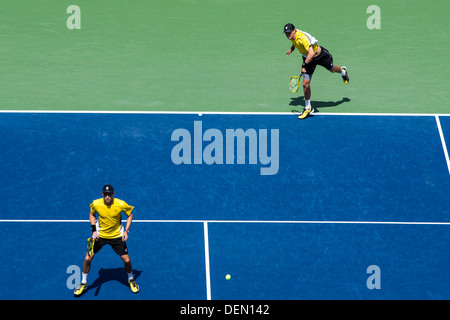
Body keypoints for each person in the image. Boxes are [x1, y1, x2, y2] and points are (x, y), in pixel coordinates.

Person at [74, 184, 139, 296]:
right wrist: (94, 230)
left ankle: (131, 279)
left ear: (113, 194)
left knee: (127, 260)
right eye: (105, 194)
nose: (107, 196)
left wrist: (126, 231)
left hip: (116, 236)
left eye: (109, 194)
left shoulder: (120, 204)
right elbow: (92, 214)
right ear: (102, 194)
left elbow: (130, 215)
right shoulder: (96, 203)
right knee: (87, 259)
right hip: (100, 236)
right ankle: (83, 282)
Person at [284, 23, 349, 119]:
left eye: (289, 33)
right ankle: (308, 108)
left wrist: (304, 65)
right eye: (286, 33)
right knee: (305, 83)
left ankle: (343, 71)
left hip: (320, 56)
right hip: (308, 59)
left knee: (332, 69)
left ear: (294, 31)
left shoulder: (302, 38)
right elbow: (295, 43)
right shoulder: (293, 36)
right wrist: (291, 49)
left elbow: (311, 52)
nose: (288, 35)